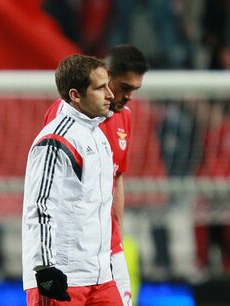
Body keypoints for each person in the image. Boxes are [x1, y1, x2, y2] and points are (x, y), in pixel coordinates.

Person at [43, 45, 149, 306]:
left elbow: (117, 177)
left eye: (135, 90)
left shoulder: (125, 116)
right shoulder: (65, 117)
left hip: (109, 248)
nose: (128, 96)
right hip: (73, 255)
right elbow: (48, 193)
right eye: (125, 87)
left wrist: (118, 235)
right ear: (107, 76)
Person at [22, 54, 122, 306]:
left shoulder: (98, 136)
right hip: (62, 277)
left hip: (100, 276)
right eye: (100, 88)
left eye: (108, 85)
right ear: (75, 95)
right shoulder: (56, 140)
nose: (110, 94)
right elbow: (40, 206)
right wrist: (45, 268)